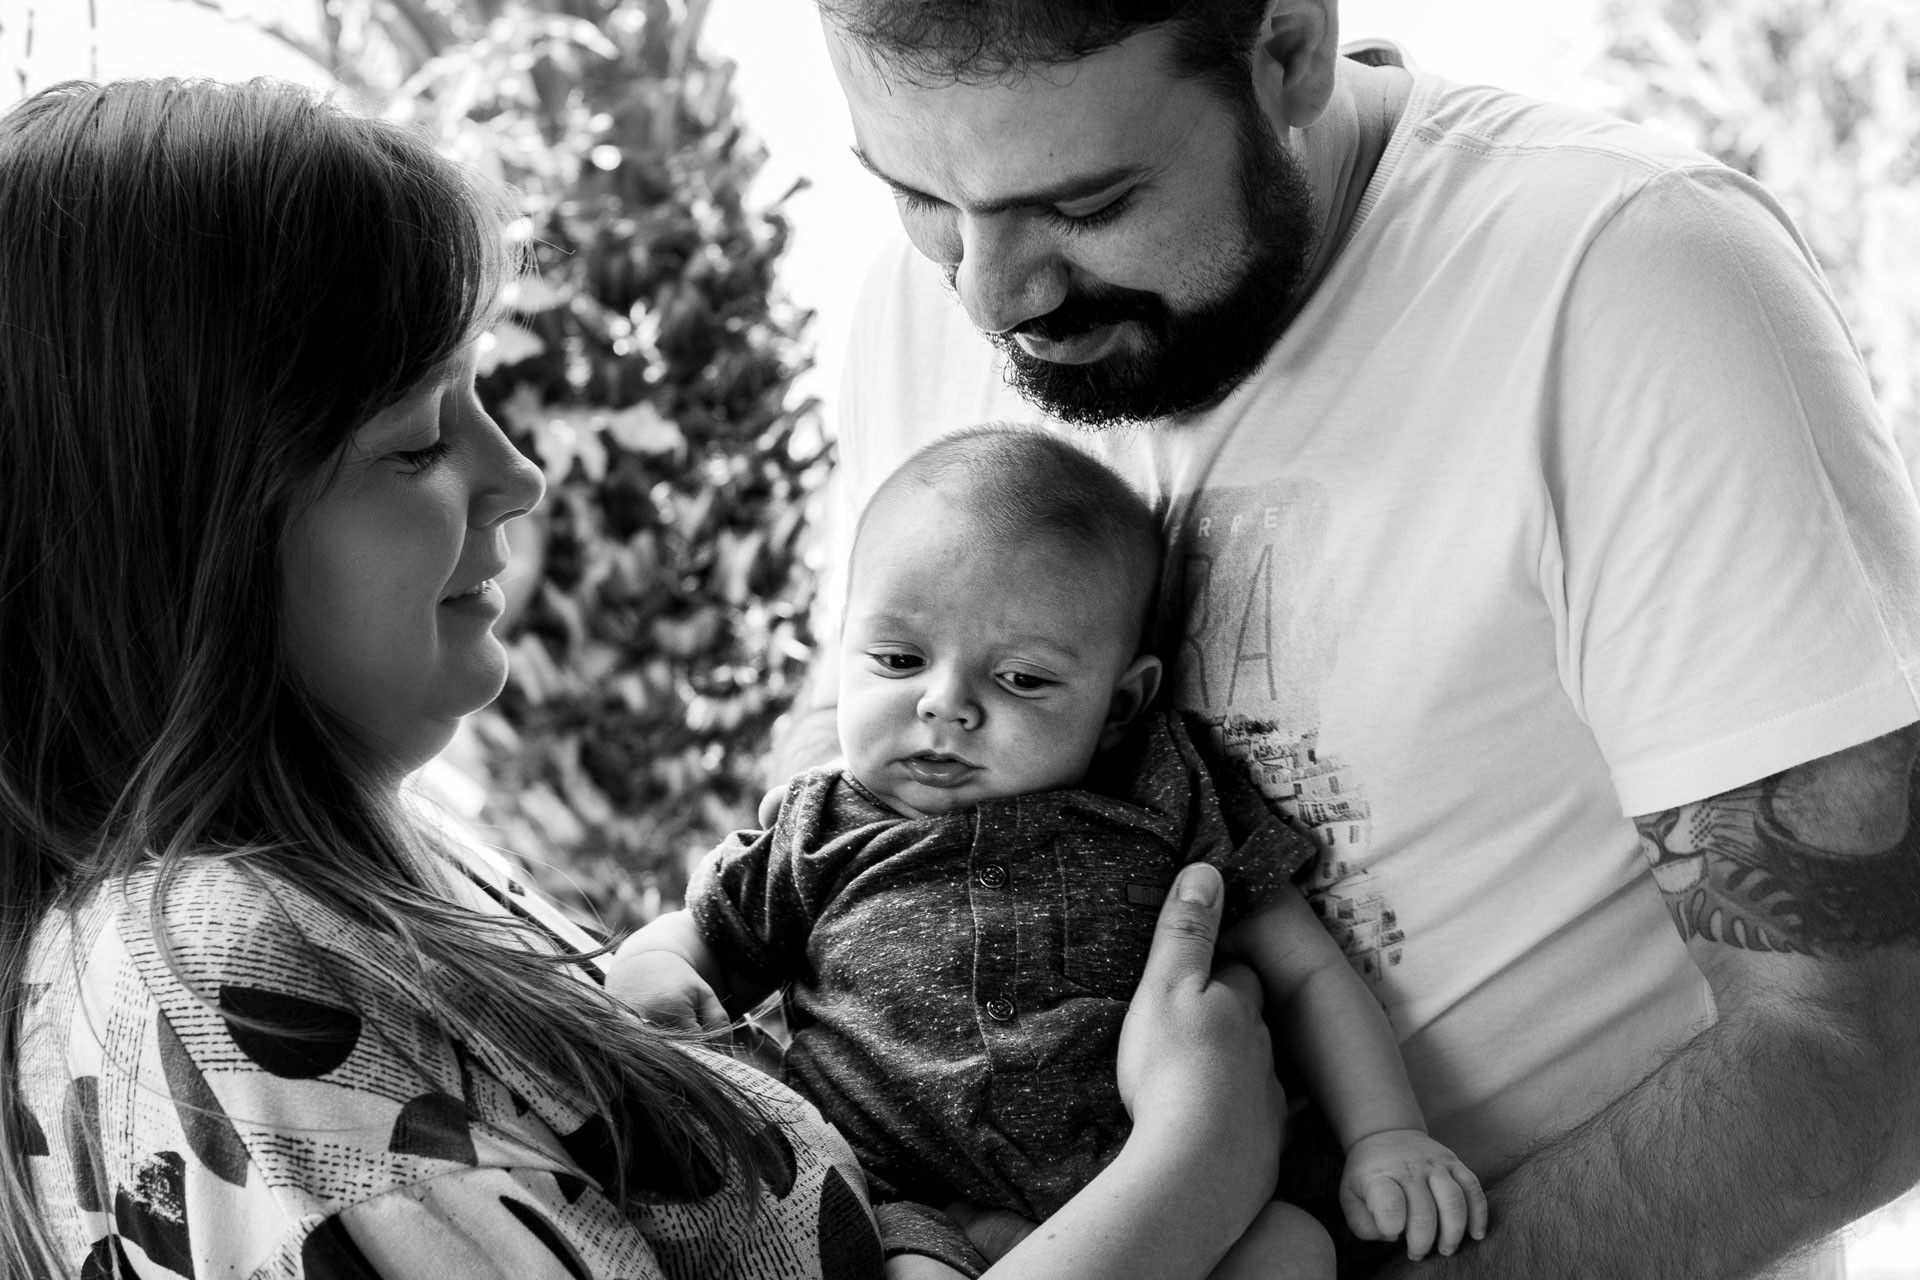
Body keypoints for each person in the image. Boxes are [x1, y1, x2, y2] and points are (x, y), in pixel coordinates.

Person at [0, 78, 1289, 1280]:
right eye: (417, 441)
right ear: (184, 540)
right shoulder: (217, 971)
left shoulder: (343, 877)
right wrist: (1190, 1168)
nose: (517, 475)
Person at [772, 3, 1920, 1278]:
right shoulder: (913, 306)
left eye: (1086, 204)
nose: (994, 295)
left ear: (1288, 50)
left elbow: (1864, 1049)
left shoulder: (1628, 273)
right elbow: (841, 745)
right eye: (918, 195)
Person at [614, 427, 1487, 1278]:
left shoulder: (1163, 797)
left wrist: (1385, 1131)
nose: (945, 705)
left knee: (1295, 1250)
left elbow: (1303, 972)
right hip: (911, 1208)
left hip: (1140, 1185)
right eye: (898, 658)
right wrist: (650, 969)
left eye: (1022, 679)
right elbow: (703, 938)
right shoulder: (817, 829)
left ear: (1120, 704)